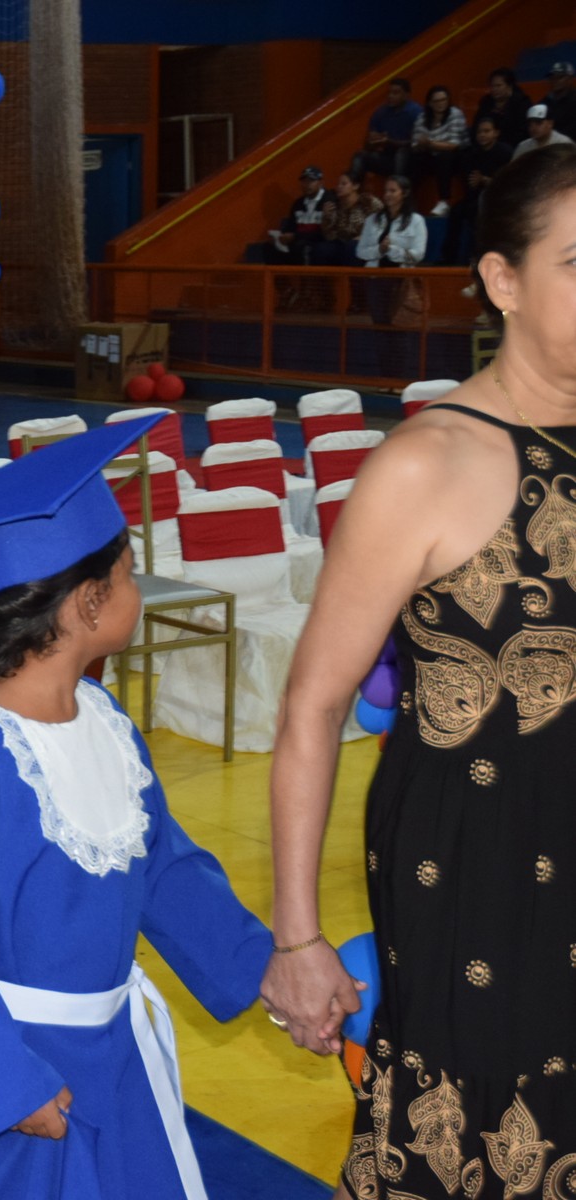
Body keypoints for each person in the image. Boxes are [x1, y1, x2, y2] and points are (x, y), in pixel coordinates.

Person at [262, 144, 576, 1200]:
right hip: (475, 870)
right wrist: (297, 937)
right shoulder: (426, 464)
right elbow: (312, 708)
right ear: (501, 281)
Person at [0, 416, 271, 1200]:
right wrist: (3, 1086)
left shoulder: (105, 722)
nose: (137, 589)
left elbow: (163, 868)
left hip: (115, 1054)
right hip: (27, 1080)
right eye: (128, 574)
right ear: (89, 603)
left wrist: (264, 966)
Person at [357, 175, 428, 325]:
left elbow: (418, 254)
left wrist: (392, 250)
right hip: (375, 278)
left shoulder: (416, 221)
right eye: (386, 191)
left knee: (400, 325)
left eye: (392, 191)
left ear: (405, 193)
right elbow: (360, 251)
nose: (387, 195)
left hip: (401, 279)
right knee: (379, 323)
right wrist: (379, 250)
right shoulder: (372, 220)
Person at [442, 116, 513, 265]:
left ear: (496, 133)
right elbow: (470, 181)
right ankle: (449, 259)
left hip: (498, 201)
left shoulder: (505, 152)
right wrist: (476, 182)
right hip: (473, 197)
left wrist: (485, 180)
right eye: (479, 132)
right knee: (456, 211)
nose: (482, 135)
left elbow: (507, 184)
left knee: (477, 212)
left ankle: (476, 257)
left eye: (487, 131)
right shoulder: (471, 153)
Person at [349, 78, 423, 183]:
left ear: (406, 95)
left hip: (411, 158)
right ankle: (352, 188)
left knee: (401, 153)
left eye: (395, 93)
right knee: (360, 156)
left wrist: (390, 141)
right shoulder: (381, 112)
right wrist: (373, 140)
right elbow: (367, 146)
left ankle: (397, 188)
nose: (390, 96)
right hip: (387, 156)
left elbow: (417, 144)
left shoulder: (416, 112)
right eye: (389, 93)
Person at [409, 84, 467, 214]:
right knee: (414, 159)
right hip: (431, 155)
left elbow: (454, 144)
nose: (441, 103)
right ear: (430, 103)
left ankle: (444, 201)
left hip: (455, 157)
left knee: (444, 156)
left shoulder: (455, 114)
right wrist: (421, 144)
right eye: (437, 101)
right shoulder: (422, 118)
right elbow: (415, 144)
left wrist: (430, 143)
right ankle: (409, 201)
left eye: (444, 100)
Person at [313, 172, 384, 268]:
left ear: (355, 186)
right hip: (342, 243)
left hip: (365, 243)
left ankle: (352, 277)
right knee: (321, 249)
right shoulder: (335, 205)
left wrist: (363, 237)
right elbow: (329, 236)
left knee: (352, 247)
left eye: (343, 184)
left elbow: (382, 222)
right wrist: (325, 218)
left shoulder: (368, 202)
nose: (339, 187)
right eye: (338, 184)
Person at [264, 165, 330, 266]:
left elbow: (325, 232)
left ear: (321, 182)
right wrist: (282, 237)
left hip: (318, 240)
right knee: (268, 247)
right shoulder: (298, 204)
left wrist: (295, 236)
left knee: (303, 247)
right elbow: (291, 226)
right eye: (304, 181)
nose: (307, 185)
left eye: (311, 181)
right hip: (298, 239)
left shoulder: (329, 201)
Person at [474, 67, 532, 147]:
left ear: (509, 86)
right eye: (492, 86)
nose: (494, 89)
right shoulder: (486, 103)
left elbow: (523, 131)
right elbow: (477, 126)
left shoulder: (522, 103)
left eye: (498, 86)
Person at [547, 62, 576, 139]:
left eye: (560, 77)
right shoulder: (545, 102)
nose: (555, 80)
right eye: (552, 78)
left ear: (570, 79)